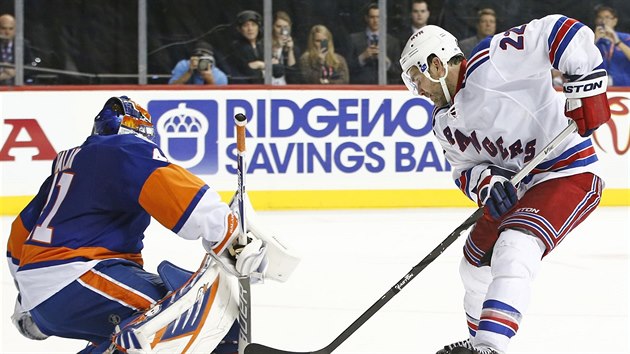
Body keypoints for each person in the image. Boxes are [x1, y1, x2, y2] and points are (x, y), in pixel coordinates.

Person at [399, 15, 610, 354]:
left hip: (569, 172)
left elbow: (559, 30)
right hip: (520, 185)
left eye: (415, 78)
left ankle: (489, 347)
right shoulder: (443, 124)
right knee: (473, 264)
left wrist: (586, 82)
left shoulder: (493, 62)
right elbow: (465, 170)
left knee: (515, 246)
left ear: (435, 64)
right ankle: (476, 340)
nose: (417, 90)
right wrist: (488, 184)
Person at [6, 96, 269, 353]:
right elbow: (170, 187)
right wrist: (231, 239)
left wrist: (27, 300)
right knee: (182, 315)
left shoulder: (70, 166)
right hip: (78, 276)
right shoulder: (123, 150)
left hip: (55, 293)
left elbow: (20, 232)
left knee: (133, 331)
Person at [348, 2, 401, 84]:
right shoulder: (354, 39)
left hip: (386, 88)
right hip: (361, 86)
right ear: (366, 18)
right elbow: (347, 68)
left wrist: (386, 62)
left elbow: (399, 72)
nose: (375, 20)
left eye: (378, 17)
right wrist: (362, 57)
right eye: (372, 17)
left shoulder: (393, 42)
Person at [593, 5, 630, 86]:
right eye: (600, 17)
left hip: (624, 85)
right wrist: (594, 41)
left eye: (607, 17)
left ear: (615, 21)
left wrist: (618, 42)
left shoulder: (626, 38)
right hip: (598, 85)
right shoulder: (591, 40)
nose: (603, 21)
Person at [0, 13, 33, 85]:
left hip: (18, 85)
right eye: (3, 28)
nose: (7, 32)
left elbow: (33, 64)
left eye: (10, 29)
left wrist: (17, 72)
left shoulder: (23, 44)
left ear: (15, 30)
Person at [271, 11, 301, 85]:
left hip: (286, 88)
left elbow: (294, 76)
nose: (282, 30)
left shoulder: (294, 48)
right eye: (278, 26)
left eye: (285, 27)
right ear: (272, 26)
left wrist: (290, 51)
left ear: (290, 27)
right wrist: (277, 47)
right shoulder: (264, 46)